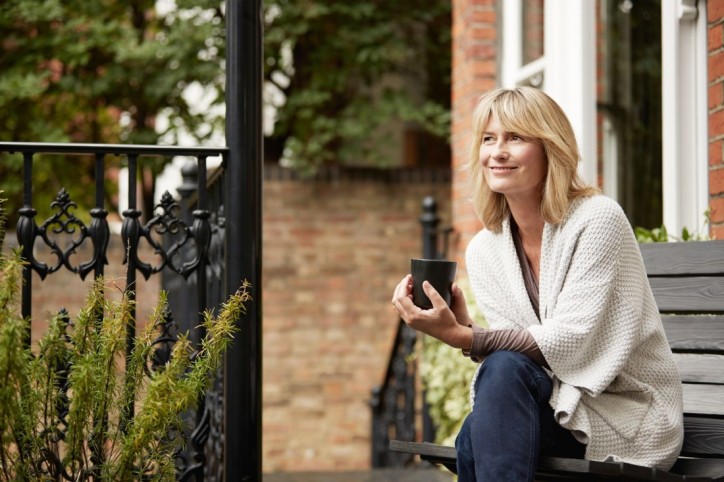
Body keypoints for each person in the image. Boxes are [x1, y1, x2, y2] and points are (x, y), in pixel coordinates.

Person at [391, 87, 684, 481]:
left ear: (551, 148)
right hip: (557, 408)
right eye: (488, 139)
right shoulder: (486, 249)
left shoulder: (597, 220)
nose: (498, 151)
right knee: (490, 398)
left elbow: (569, 343)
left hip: (624, 416)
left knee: (472, 438)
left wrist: (465, 338)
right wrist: (470, 333)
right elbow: (524, 361)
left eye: (516, 138)